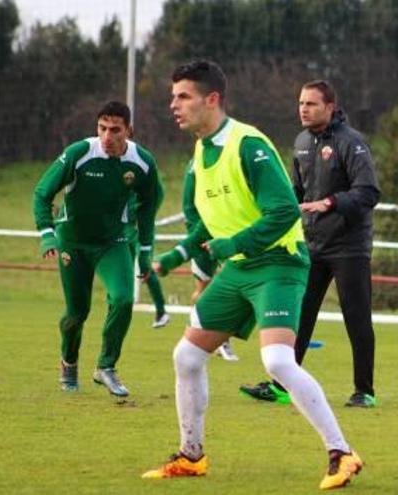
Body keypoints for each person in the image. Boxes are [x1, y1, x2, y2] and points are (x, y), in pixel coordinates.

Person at [142, 60, 362, 489]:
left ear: (212, 100)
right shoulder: (201, 154)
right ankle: (191, 456)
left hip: (278, 263)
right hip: (240, 269)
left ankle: (342, 453)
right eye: (173, 97)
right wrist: (173, 258)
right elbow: (211, 223)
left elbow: (282, 212)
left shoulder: (247, 144)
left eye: (183, 96)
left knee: (277, 361)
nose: (174, 105)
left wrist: (232, 245)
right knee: (186, 356)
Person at [240, 80, 381, 408]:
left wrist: (330, 203)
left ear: (330, 107)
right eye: (301, 103)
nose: (303, 109)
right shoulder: (301, 141)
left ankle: (364, 391)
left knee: (356, 318)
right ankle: (281, 386)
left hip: (349, 247)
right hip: (311, 245)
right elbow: (297, 193)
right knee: (298, 315)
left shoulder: (352, 143)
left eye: (311, 104)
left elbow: (369, 192)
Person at [33, 101, 162, 397]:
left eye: (115, 130)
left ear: (129, 130)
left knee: (124, 299)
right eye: (102, 128)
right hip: (72, 243)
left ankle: (106, 366)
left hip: (111, 242)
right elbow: (42, 193)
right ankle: (69, 362)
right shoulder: (79, 153)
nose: (107, 136)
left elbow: (148, 208)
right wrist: (47, 234)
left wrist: (145, 252)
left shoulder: (142, 163)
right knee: (77, 313)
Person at [182, 157, 238, 361]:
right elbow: (188, 205)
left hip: (228, 235)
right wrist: (197, 234)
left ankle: (223, 340)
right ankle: (195, 334)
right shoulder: (195, 165)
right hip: (202, 236)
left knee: (229, 285)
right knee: (202, 288)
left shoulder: (231, 159)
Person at [125, 194, 169, 329]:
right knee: (125, 269)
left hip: (141, 230)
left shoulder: (142, 178)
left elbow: (157, 194)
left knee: (145, 268)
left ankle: (161, 312)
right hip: (124, 230)